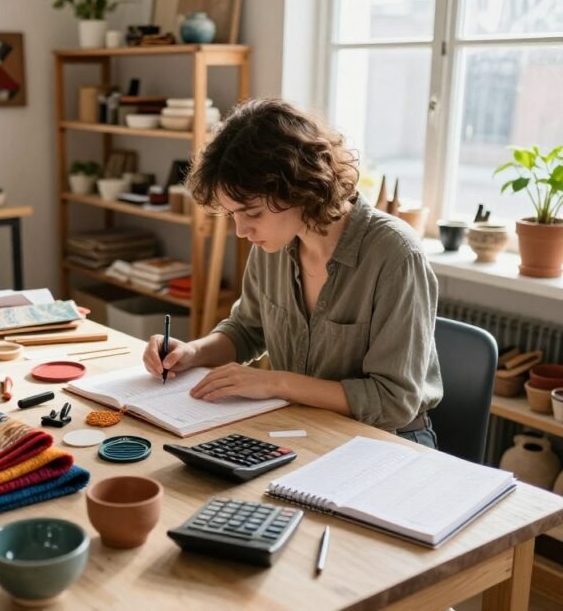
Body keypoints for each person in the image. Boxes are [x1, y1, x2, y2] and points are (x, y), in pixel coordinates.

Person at [142, 99, 442, 447]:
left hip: (389, 441)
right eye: (233, 214)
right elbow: (246, 330)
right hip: (303, 425)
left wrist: (274, 382)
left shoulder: (394, 255)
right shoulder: (272, 246)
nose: (241, 230)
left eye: (251, 213)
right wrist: (194, 352)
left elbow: (393, 402)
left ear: (298, 188)